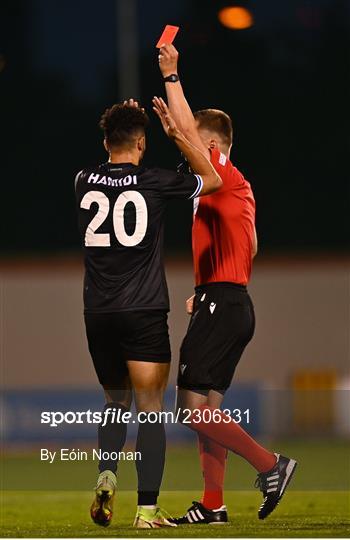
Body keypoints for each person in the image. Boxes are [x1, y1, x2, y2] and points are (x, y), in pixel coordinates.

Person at [158, 44, 297, 524]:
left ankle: (270, 464)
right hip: (231, 300)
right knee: (209, 416)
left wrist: (171, 77)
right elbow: (253, 245)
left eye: (195, 140)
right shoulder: (240, 185)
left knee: (190, 409)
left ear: (211, 145)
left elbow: (191, 142)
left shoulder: (219, 172)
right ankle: (213, 504)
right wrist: (213, 277)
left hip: (223, 303)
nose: (185, 143)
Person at [75, 97, 222, 529]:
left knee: (114, 402)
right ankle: (146, 512)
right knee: (151, 408)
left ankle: (106, 473)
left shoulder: (83, 179)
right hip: (143, 309)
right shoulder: (154, 181)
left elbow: (113, 170)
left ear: (106, 141)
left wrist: (127, 125)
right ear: (142, 143)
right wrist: (178, 134)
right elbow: (210, 179)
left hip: (98, 312)